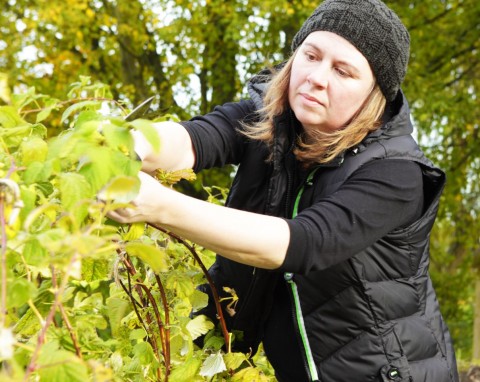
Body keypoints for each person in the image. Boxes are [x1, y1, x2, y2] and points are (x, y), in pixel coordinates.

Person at [107, 0, 460, 380]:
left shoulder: (397, 174)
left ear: (374, 95)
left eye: (344, 71)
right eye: (311, 55)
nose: (318, 77)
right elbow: (195, 139)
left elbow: (301, 243)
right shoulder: (267, 120)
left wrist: (159, 206)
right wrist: (125, 147)